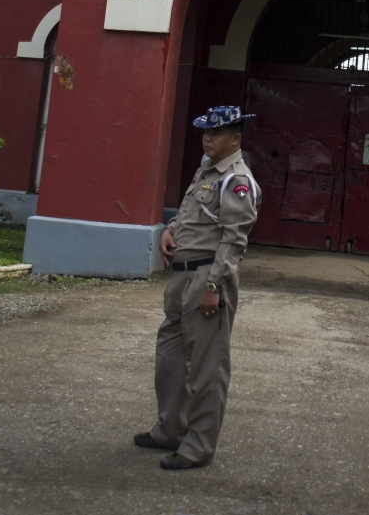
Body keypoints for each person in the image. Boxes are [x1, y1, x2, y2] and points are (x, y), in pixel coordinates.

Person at [133, 105, 260, 470]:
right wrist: (171, 230)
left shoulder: (236, 180)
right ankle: (170, 430)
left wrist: (214, 285)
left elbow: (234, 240)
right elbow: (195, 213)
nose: (208, 138)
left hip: (207, 278)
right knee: (170, 357)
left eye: (217, 133)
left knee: (207, 368)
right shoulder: (207, 170)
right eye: (206, 132)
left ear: (235, 139)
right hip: (181, 277)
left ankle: (198, 447)